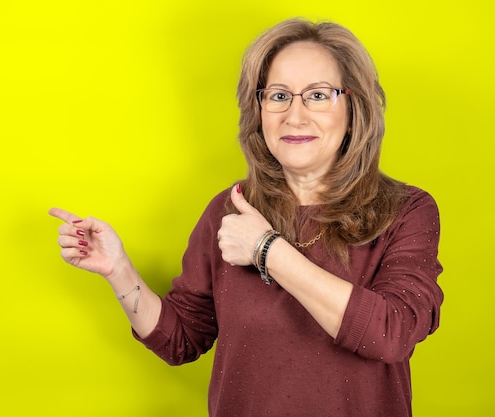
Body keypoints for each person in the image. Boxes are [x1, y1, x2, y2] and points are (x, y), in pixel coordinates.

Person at [49, 18, 444, 417]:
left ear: (353, 105)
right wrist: (118, 270)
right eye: (278, 96)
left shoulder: (405, 210)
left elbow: (390, 333)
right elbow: (180, 340)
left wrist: (266, 249)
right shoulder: (230, 208)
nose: (295, 116)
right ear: (259, 109)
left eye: (318, 95)